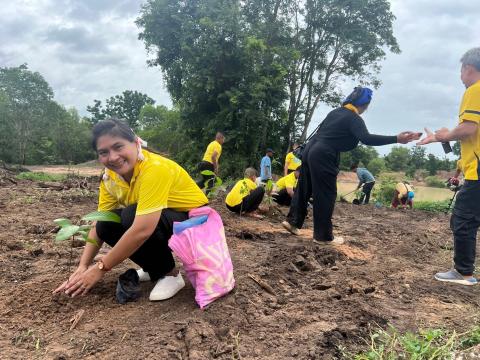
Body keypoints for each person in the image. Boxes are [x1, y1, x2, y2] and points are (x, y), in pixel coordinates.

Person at [54, 118, 209, 300]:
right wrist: (82, 266)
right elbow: (98, 224)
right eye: (104, 152)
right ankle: (155, 269)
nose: (112, 157)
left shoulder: (155, 169)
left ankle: (170, 274)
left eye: (118, 147)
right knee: (106, 223)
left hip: (197, 224)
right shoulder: (109, 178)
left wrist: (100, 268)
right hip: (164, 221)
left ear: (136, 143)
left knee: (131, 216)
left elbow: (143, 229)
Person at [281, 86, 421, 244]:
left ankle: (292, 222)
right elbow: (366, 138)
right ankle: (323, 236)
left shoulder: (334, 112)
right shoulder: (353, 118)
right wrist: (396, 138)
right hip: (324, 154)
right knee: (325, 194)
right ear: (364, 105)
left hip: (309, 151)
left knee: (304, 188)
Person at [418, 47, 480, 286]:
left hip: (478, 172)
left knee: (463, 219)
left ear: (467, 68)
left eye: (461, 70)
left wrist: (442, 136)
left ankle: (463, 272)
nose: (460, 76)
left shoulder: (474, 90)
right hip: (472, 168)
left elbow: (468, 128)